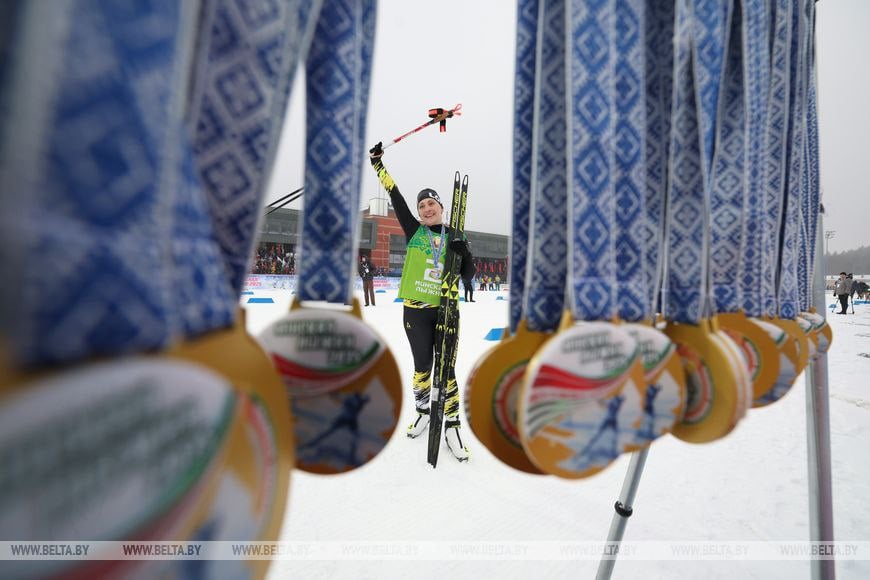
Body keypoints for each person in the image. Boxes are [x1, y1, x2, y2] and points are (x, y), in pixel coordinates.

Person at [369, 141, 473, 462]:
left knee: (448, 370)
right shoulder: (414, 230)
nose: (426, 209)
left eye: (431, 204)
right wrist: (378, 165)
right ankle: (424, 410)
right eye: (422, 206)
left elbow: (469, 273)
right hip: (415, 311)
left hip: (445, 311)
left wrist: (462, 254)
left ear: (441, 207)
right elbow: (395, 196)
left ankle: (453, 424)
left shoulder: (456, 234)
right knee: (422, 369)